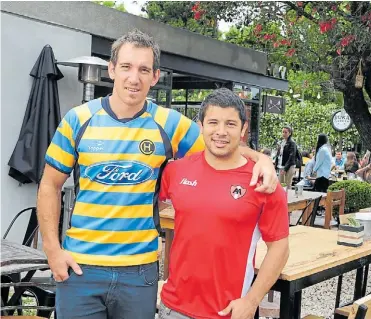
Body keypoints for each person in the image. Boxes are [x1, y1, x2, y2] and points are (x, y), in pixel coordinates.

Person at [36, 30, 278, 319]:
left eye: (143, 69)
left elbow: (221, 143)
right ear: (111, 69)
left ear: (155, 76)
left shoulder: (169, 123)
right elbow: (50, 185)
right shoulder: (78, 120)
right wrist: (52, 249)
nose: (133, 78)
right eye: (126, 67)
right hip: (81, 269)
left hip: (139, 273)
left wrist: (261, 158)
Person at [158, 88, 290, 319]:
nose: (220, 132)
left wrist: (251, 301)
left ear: (243, 129)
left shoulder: (263, 182)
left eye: (230, 124)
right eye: (213, 122)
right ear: (200, 126)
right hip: (173, 308)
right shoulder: (175, 171)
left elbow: (280, 248)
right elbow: (146, 212)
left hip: (227, 312)